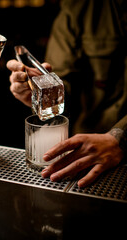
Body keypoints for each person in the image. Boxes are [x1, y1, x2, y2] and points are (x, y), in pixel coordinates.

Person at [7, 0, 127, 187]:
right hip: (84, 157)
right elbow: (65, 87)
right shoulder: (78, 8)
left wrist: (120, 137)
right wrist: (38, 94)